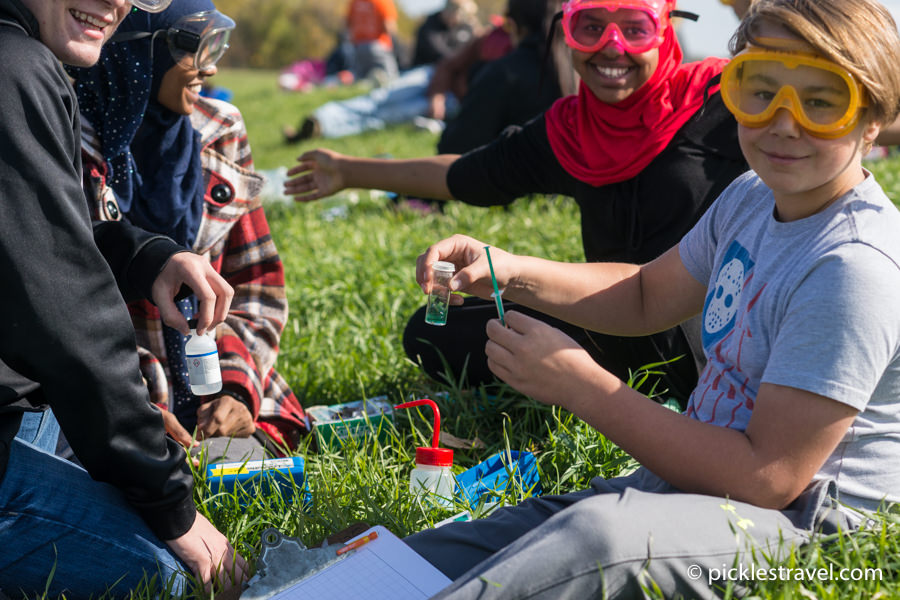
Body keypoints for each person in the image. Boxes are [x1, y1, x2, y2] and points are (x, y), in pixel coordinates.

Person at [404, 1, 900, 597]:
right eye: (759, 90)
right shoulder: (749, 197)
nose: (784, 123)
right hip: (707, 486)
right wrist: (507, 271)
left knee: (600, 539)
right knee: (492, 539)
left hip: (811, 535)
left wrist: (579, 385)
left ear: (872, 119)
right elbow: (644, 295)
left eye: (822, 101)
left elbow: (767, 478)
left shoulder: (852, 266)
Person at [284, 0, 749, 405]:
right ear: (565, 32)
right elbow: (462, 174)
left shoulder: (725, 101)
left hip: (713, 326)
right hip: (613, 317)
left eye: (634, 28)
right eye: (590, 27)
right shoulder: (569, 130)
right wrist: (348, 171)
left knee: (660, 333)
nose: (612, 46)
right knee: (433, 329)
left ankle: (605, 381)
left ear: (666, 28)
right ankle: (592, 372)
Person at [0, 0, 248, 596]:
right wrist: (172, 506)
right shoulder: (14, 68)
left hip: (21, 407)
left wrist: (147, 257)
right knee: (167, 580)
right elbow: (69, 316)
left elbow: (47, 234)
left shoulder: (28, 60)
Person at [69, 2, 311, 463]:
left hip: (217, 379)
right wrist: (134, 407)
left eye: (216, 44)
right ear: (137, 51)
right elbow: (68, 307)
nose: (212, 66)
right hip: (110, 394)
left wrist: (237, 389)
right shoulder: (67, 137)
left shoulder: (221, 128)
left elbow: (257, 282)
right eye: (193, 47)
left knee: (244, 472)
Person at [411, 0, 479, 68]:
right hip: (426, 68)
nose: (460, 17)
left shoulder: (465, 27)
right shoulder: (429, 27)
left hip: (455, 69)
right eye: (458, 11)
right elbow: (443, 56)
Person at [346, 0, 400, 84]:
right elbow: (388, 26)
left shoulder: (355, 2)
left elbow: (348, 23)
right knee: (391, 80)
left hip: (359, 46)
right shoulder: (383, 1)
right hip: (378, 45)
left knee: (362, 81)